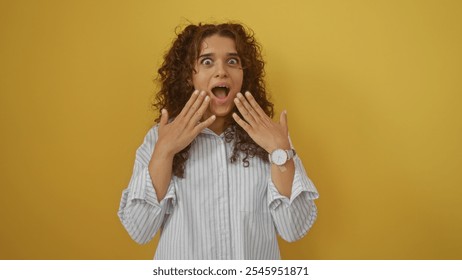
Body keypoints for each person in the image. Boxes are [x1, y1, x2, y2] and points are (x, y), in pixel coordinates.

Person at [117, 22, 319, 260]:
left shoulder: (271, 138)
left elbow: (293, 229)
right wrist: (164, 153)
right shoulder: (158, 139)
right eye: (207, 61)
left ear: (245, 75)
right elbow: (139, 230)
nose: (221, 71)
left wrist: (280, 151)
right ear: (189, 76)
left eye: (232, 61)